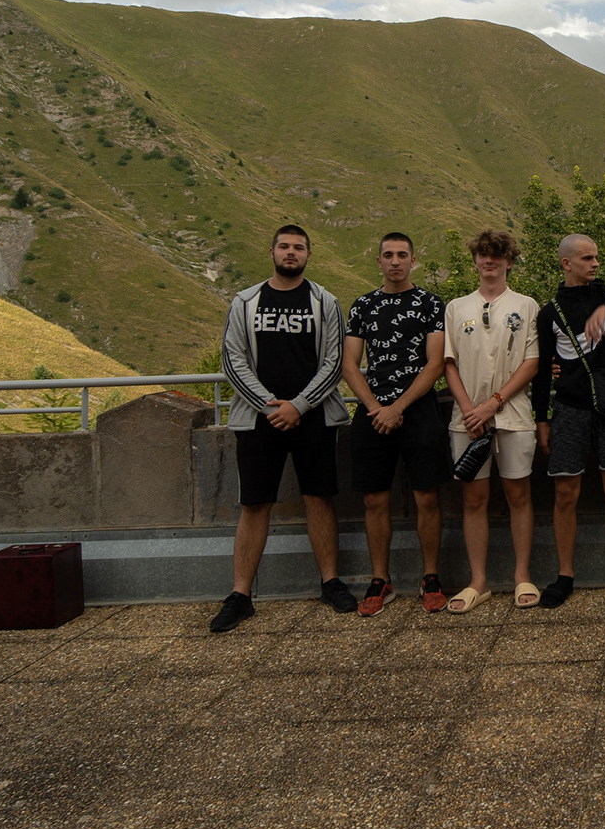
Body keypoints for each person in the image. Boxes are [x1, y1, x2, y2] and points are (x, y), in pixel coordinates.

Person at [210, 224, 354, 632]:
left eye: (299, 247)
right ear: (272, 252)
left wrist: (299, 405)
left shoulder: (325, 301)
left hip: (314, 417)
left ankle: (330, 582)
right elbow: (232, 359)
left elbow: (335, 362)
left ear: (308, 255)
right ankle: (240, 595)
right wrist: (270, 405)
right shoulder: (245, 301)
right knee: (254, 503)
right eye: (285, 247)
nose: (291, 253)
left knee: (319, 498)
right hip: (260, 419)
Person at [533, 234, 605, 608]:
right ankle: (565, 575)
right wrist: (541, 419)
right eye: (587, 258)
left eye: (596, 257)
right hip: (568, 409)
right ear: (567, 263)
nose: (595, 263)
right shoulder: (549, 312)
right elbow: (542, 371)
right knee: (565, 494)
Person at [343, 232, 450, 616]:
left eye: (402, 255)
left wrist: (399, 406)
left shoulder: (430, 304)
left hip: (419, 410)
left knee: (427, 497)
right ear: (379, 261)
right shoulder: (363, 306)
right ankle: (380, 579)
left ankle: (430, 577)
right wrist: (377, 407)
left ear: (412, 260)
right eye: (388, 255)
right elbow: (349, 364)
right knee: (373, 498)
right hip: (373, 412)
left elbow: (435, 363)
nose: (395, 261)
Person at [442, 229, 542, 614]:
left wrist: (492, 405)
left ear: (509, 262)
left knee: (519, 495)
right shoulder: (456, 307)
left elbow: (531, 362)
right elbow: (448, 362)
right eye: (484, 255)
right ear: (475, 261)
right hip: (466, 419)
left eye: (497, 255)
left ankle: (522, 576)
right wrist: (471, 409)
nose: (489, 261)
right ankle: (478, 582)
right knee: (473, 499)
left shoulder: (526, 305)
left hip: (513, 416)